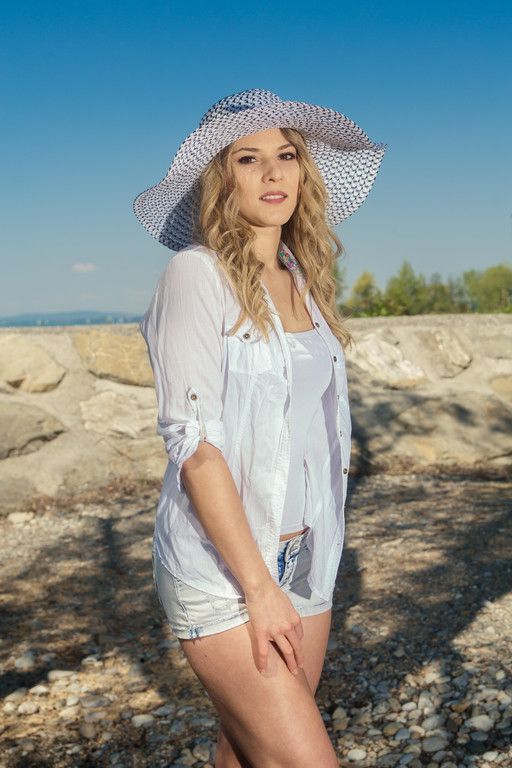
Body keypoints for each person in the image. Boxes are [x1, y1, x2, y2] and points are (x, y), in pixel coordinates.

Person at [134, 88, 387, 768]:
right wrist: (258, 587)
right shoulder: (195, 275)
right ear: (222, 178)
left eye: (287, 156)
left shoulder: (302, 275)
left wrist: (292, 573)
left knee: (247, 751)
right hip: (226, 570)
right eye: (249, 159)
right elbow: (195, 448)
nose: (273, 173)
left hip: (307, 554)